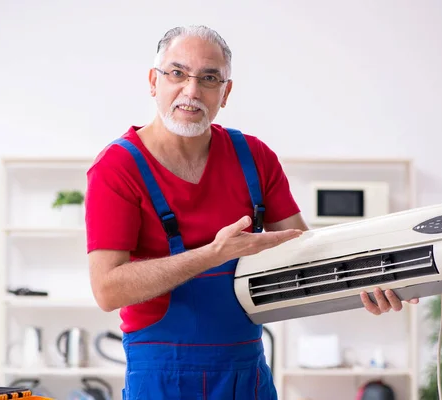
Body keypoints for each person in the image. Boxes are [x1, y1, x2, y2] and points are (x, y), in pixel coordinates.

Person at [85, 25, 419, 400]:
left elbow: (306, 254)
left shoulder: (254, 158)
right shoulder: (117, 167)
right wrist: (213, 254)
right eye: (177, 73)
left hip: (246, 375)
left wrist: (372, 278)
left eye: (209, 78)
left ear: (225, 92)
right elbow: (107, 290)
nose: (191, 91)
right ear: (153, 81)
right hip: (161, 377)